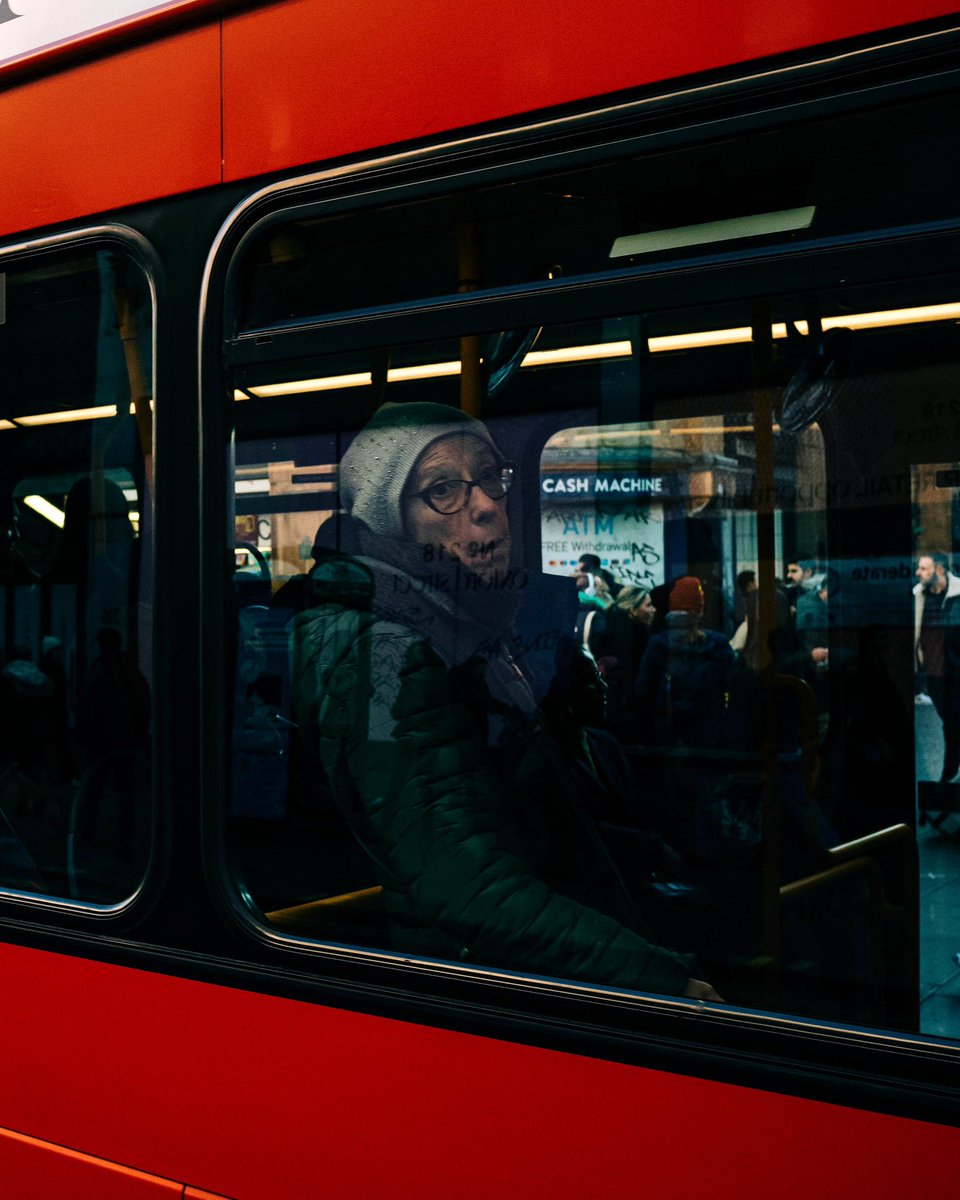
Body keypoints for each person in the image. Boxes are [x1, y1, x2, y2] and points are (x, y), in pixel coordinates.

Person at [293, 401, 719, 1000]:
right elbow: (468, 883)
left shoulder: (467, 626)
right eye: (443, 489)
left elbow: (512, 814)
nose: (488, 505)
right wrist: (664, 984)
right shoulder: (383, 652)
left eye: (491, 477)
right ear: (394, 522)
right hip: (462, 989)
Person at [635, 575, 735, 751]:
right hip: (707, 724)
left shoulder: (658, 643)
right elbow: (729, 682)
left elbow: (644, 689)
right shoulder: (717, 643)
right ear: (700, 610)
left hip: (667, 722)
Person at [587, 584, 656, 740]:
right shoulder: (627, 636)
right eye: (649, 605)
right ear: (633, 609)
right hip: (623, 712)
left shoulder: (615, 627)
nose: (653, 610)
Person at [914, 552, 960, 783]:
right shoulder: (919, 596)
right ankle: (950, 771)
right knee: (950, 721)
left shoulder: (957, 595)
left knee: (952, 722)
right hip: (933, 672)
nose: (918, 573)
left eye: (924, 568)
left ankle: (949, 772)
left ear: (939, 570)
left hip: (955, 671)